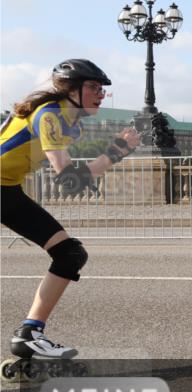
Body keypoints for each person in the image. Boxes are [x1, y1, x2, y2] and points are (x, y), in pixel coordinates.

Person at [0, 59, 140, 363]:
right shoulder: (50, 116)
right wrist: (115, 152)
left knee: (69, 255)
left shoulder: (69, 123)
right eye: (93, 87)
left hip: (6, 190)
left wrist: (112, 154)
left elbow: (72, 176)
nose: (100, 94)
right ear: (71, 89)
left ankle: (29, 335)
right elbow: (69, 180)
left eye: (101, 89)